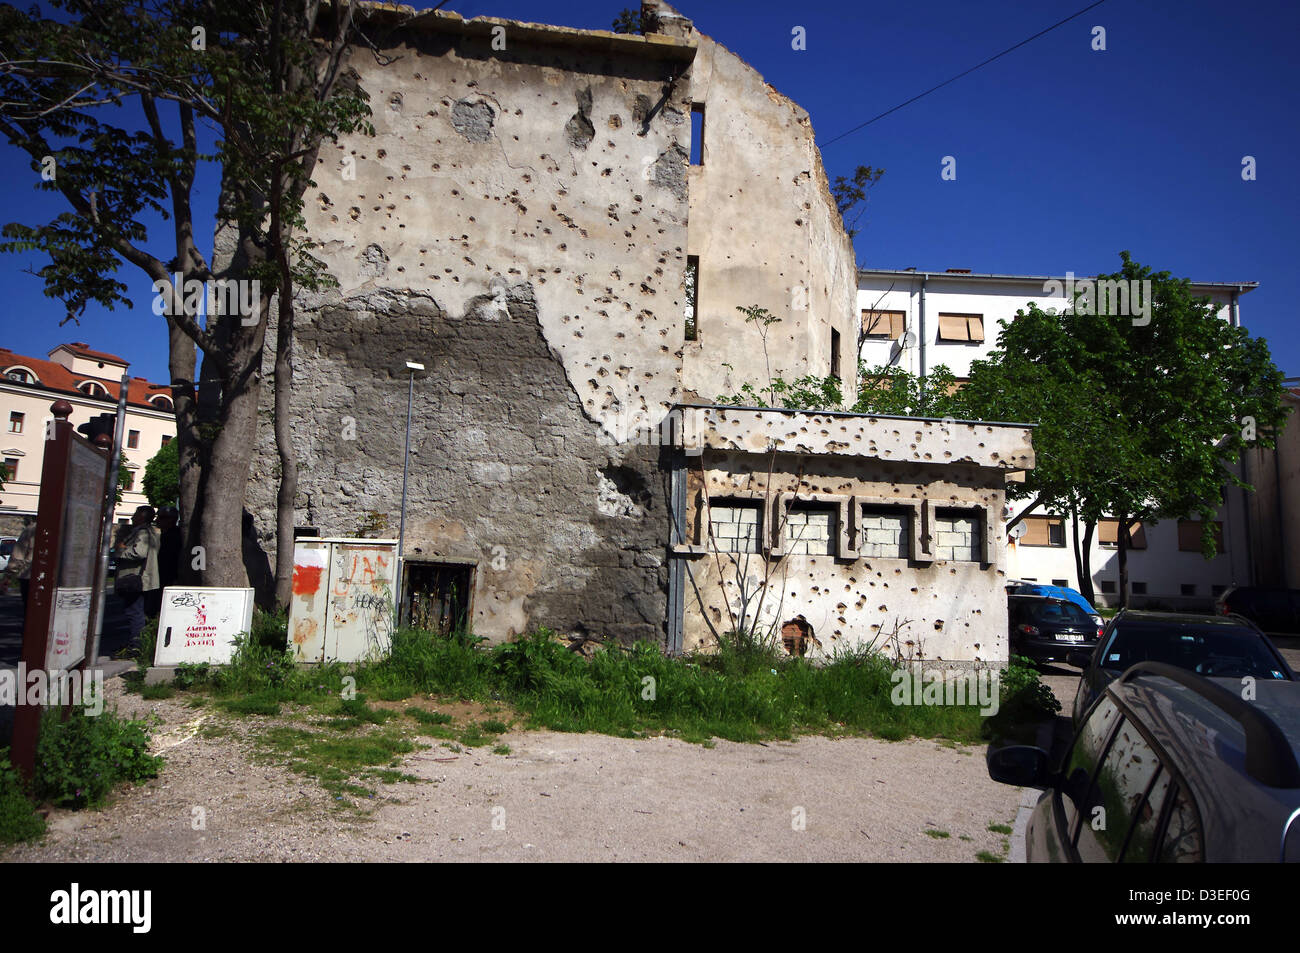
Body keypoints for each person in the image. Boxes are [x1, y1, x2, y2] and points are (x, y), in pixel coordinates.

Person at [115, 505, 161, 642]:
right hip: (141, 578)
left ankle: (136, 644)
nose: (132, 517)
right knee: (137, 611)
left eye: (135, 514)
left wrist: (121, 551)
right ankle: (136, 642)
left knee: (134, 612)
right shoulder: (150, 532)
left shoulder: (143, 533)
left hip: (135, 577)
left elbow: (139, 552)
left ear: (142, 516)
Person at [0, 517, 35, 612]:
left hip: (29, 577)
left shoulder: (32, 529)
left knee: (30, 612)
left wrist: (7, 576)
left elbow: (18, 556)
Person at [156, 506, 181, 592]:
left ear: (171, 519)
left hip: (168, 578)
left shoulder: (175, 536)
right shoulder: (162, 535)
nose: (157, 520)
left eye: (161, 517)